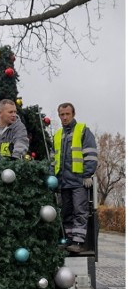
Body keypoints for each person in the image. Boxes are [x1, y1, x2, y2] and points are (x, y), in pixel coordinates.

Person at [53, 102, 98, 253]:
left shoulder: (83, 130)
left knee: (80, 211)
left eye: (67, 114)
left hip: (79, 181)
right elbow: (54, 159)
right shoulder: (58, 135)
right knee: (66, 212)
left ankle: (78, 243)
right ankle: (69, 241)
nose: (65, 117)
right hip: (63, 182)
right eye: (62, 114)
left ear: (73, 114)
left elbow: (91, 154)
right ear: (59, 115)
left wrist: (87, 174)